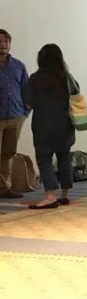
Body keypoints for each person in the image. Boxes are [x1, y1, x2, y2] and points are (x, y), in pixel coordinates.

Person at [22, 44, 79, 209]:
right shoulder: (67, 78)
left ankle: (50, 196)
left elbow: (27, 101)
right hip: (65, 126)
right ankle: (65, 195)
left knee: (45, 161)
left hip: (43, 127)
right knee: (64, 159)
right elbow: (76, 94)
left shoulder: (35, 79)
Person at [0, 28, 29, 199]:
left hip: (16, 116)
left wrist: (25, 113)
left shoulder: (18, 66)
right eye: (0, 41)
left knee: (8, 153)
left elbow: (26, 90)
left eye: (6, 41)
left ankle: (4, 187)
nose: (3, 45)